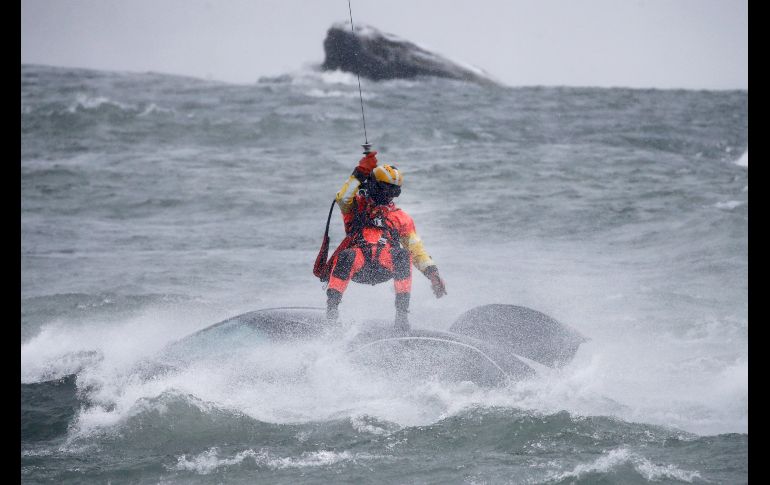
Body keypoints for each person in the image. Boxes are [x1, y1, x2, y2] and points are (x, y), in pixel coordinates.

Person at [325, 150, 446, 332]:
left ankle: (401, 319)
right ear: (373, 185)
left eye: (392, 191)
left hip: (384, 266)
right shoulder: (355, 207)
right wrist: (360, 172)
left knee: (403, 255)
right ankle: (332, 314)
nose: (387, 196)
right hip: (358, 264)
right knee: (346, 255)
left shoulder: (401, 218)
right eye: (384, 189)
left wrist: (432, 273)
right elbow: (342, 197)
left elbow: (416, 250)